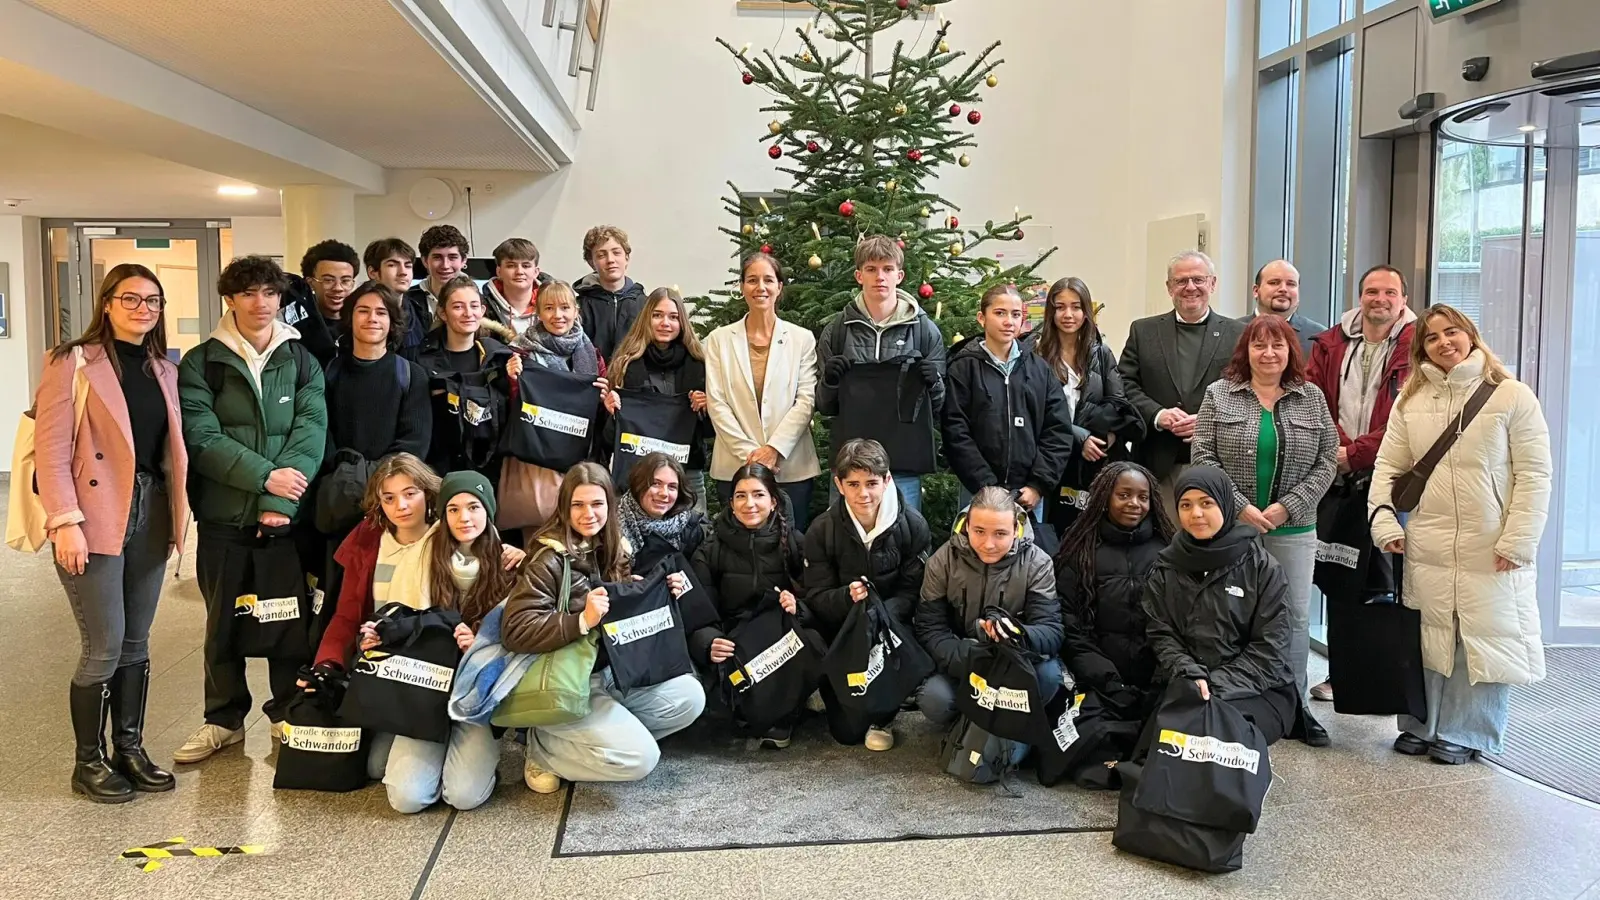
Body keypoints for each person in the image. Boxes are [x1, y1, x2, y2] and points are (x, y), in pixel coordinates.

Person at [1369, 305, 1551, 765]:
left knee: (1481, 636)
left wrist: (1518, 540)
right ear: (1421, 348)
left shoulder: (1511, 395)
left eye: (1451, 332)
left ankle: (1469, 732)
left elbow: (1534, 474)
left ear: (1470, 335)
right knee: (1428, 632)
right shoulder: (1410, 400)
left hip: (1489, 541)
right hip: (1427, 539)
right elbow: (1389, 467)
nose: (1444, 343)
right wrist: (1384, 521)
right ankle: (1420, 723)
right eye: (1431, 338)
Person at [37, 265, 189, 802]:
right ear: (106, 303)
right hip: (93, 515)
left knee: (135, 642)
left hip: (150, 512)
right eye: (131, 299)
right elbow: (53, 453)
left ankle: (129, 747)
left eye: (152, 301)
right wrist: (65, 523)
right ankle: (88, 762)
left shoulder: (162, 369)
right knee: (101, 646)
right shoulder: (71, 362)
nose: (142, 309)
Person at [174, 255, 327, 764]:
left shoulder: (301, 358)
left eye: (269, 292)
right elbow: (201, 436)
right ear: (230, 299)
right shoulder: (202, 362)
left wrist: (278, 500)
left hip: (285, 518)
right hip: (223, 515)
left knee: (286, 614)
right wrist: (264, 478)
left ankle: (285, 711)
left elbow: (310, 432)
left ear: (281, 297)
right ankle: (223, 719)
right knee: (222, 621)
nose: (260, 304)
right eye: (249, 294)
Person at [314, 461, 517, 812]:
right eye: (389, 498)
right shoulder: (392, 545)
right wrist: (340, 656)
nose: (401, 506)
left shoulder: (469, 545)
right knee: (402, 793)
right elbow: (354, 614)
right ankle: (424, 749)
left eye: (410, 494)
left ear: (428, 496)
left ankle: (466, 752)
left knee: (464, 794)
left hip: (466, 683)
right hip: (416, 680)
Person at [501, 463, 706, 792]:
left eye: (597, 504)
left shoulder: (614, 549)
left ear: (610, 507)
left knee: (690, 697)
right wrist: (580, 620)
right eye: (577, 505)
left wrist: (640, 591)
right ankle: (542, 747)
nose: (588, 514)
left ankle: (596, 740)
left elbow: (617, 609)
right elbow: (515, 629)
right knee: (641, 759)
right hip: (569, 681)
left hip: (612, 673)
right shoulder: (549, 558)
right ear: (564, 508)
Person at [1190, 314, 1338, 746]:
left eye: (1278, 345)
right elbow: (1203, 455)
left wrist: (1286, 508)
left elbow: (1328, 459)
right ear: (1246, 351)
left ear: (1292, 351)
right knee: (1231, 616)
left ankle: (1295, 707)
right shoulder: (1220, 395)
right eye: (1260, 345)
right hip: (1233, 529)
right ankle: (1235, 705)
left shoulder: (1310, 397)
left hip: (1294, 529)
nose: (1269, 353)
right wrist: (1240, 507)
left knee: (1292, 618)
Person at [1304, 264, 1416, 702]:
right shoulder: (1332, 342)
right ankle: (1342, 674)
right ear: (1360, 296)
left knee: (1396, 581)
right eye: (1372, 291)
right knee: (1342, 577)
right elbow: (1313, 398)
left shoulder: (1417, 345)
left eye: (1390, 292)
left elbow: (1405, 415)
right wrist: (1341, 451)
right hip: (1339, 478)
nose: (1380, 299)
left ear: (1403, 300)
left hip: (1393, 478)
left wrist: (1355, 453)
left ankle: (1391, 679)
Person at [1141, 466, 1297, 748]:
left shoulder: (1262, 568)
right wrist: (1190, 674)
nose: (1196, 513)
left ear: (1224, 503)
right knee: (1165, 744)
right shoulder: (1166, 567)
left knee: (1221, 732)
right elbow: (1161, 633)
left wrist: (1215, 684)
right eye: (1186, 505)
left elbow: (1270, 649)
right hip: (1187, 681)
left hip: (1258, 689)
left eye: (1206, 503)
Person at [803, 439, 932, 751]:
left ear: (887, 481)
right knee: (846, 734)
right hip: (843, 628)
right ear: (839, 484)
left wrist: (881, 615)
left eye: (872, 483)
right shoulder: (822, 530)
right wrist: (847, 598)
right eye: (854, 484)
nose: (863, 494)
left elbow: (915, 591)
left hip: (892, 626)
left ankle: (885, 716)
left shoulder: (913, 525)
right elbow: (817, 596)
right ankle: (832, 688)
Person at [915, 486, 1065, 732]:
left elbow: (1051, 630)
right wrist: (968, 657)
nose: (989, 544)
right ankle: (979, 718)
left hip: (1018, 660)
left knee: (1050, 677)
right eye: (979, 531)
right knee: (934, 700)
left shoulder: (1038, 563)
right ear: (966, 526)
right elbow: (929, 627)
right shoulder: (942, 561)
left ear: (1016, 530)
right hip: (965, 656)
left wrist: (1017, 634)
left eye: (1000, 534)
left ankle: (1006, 720)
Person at [815, 235, 946, 513]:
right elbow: (825, 406)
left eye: (887, 269)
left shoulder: (924, 332)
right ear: (858, 275)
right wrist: (829, 381)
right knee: (845, 542)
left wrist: (933, 382)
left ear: (900, 275)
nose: (880, 277)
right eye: (872, 269)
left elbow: (937, 407)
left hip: (904, 464)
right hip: (850, 467)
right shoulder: (838, 331)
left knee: (905, 540)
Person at [689, 463, 813, 748]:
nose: (749, 504)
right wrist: (709, 642)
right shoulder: (710, 549)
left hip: (781, 640)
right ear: (731, 504)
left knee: (812, 640)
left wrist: (798, 606)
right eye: (741, 496)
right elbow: (697, 611)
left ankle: (783, 713)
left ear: (773, 502)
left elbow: (817, 599)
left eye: (758, 495)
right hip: (734, 640)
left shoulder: (795, 543)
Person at [1117, 251, 1246, 519]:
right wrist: (1159, 415)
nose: (1190, 287)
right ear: (1169, 287)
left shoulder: (1239, 333)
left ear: (1213, 283)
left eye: (1198, 279)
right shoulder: (1143, 331)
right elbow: (1125, 385)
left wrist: (1209, 419)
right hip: (1158, 463)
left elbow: (1247, 391)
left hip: (1219, 465)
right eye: (1181, 280)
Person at [704, 253, 821, 531]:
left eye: (768, 280)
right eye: (752, 280)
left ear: (779, 287)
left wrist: (774, 450)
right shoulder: (718, 340)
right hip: (734, 466)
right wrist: (753, 458)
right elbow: (717, 403)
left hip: (791, 467)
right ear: (742, 287)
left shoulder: (801, 339)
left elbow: (805, 401)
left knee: (790, 547)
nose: (761, 287)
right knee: (738, 551)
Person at [941, 284, 1074, 522]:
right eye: (1000, 313)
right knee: (974, 553)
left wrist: (1038, 485)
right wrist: (986, 485)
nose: (1008, 321)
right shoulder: (964, 367)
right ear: (982, 318)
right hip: (978, 491)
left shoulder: (1039, 369)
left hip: (1028, 495)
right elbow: (955, 430)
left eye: (1015, 314)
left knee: (1025, 556)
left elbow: (1057, 430)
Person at [1054, 462, 1173, 710]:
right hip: (1098, 685)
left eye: (1143, 497)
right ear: (1104, 498)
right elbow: (1071, 629)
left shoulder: (1168, 553)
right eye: (1123, 495)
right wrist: (1109, 683)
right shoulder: (1079, 553)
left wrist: (1160, 683)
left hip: (1157, 687)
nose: (1134, 503)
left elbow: (1179, 626)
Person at [498, 279, 611, 537]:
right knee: (538, 539)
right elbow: (512, 405)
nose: (557, 315)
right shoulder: (521, 353)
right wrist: (514, 380)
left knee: (581, 536)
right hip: (537, 461)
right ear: (538, 312)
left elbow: (599, 414)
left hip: (580, 459)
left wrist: (604, 400)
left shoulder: (592, 354)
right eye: (549, 308)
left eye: (564, 308)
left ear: (576, 312)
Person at [1031, 276, 1144, 529]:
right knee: (1052, 533)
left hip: (1093, 460)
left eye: (1076, 306)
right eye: (1060, 307)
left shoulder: (1100, 352)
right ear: (1051, 311)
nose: (1068, 314)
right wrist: (1077, 437)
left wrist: (1103, 435)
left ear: (1086, 312)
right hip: (1050, 458)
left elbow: (1117, 400)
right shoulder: (1034, 352)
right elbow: (1033, 411)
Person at [604, 287, 713, 504]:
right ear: (646, 319)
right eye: (657, 315)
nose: (665, 323)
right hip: (636, 473)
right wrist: (611, 412)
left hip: (687, 474)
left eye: (673, 317)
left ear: (682, 322)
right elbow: (609, 438)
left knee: (693, 536)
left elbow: (710, 434)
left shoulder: (700, 366)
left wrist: (707, 409)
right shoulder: (624, 365)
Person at [415, 275, 516, 479]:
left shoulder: (502, 358)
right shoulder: (419, 360)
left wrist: (514, 381)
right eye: (458, 307)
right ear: (443, 313)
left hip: (493, 472)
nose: (468, 313)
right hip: (438, 471)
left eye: (474, 306)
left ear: (482, 311)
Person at [617, 451, 710, 576]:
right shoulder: (612, 520)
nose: (664, 493)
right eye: (656, 483)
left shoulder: (690, 529)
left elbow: (698, 582)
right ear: (638, 483)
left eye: (672, 487)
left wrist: (681, 584)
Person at [282, 239, 361, 366]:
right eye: (328, 280)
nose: (338, 288)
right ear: (310, 283)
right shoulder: (295, 328)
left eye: (345, 281)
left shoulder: (362, 323)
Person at [574, 225, 646, 359]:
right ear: (591, 262)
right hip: (595, 377)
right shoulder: (580, 306)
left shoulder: (644, 304)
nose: (610, 260)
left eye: (616, 252)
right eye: (601, 255)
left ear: (627, 258)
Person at [403, 225, 471, 358]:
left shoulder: (479, 302)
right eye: (437, 257)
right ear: (425, 261)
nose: (445, 265)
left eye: (452, 257)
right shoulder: (407, 301)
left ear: (463, 261)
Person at [1241, 260, 1326, 359]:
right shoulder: (1232, 332)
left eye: (1291, 284)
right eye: (1274, 283)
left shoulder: (1319, 338)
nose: (1283, 289)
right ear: (1256, 291)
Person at [481, 237, 553, 334]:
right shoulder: (483, 307)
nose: (519, 271)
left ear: (536, 272)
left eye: (526, 266)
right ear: (499, 271)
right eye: (511, 266)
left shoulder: (555, 301)